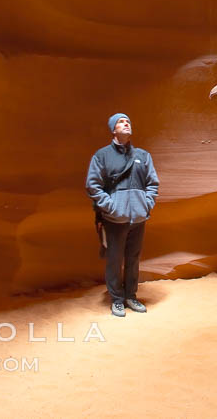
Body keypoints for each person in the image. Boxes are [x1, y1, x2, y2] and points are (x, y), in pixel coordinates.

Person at [85, 113, 160, 317]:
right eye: (121, 122)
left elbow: (152, 183)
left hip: (138, 218)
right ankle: (117, 299)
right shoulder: (102, 155)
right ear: (113, 129)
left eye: (128, 121)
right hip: (115, 220)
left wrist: (146, 204)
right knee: (114, 260)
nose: (126, 123)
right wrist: (111, 207)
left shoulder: (143, 156)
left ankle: (131, 296)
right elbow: (93, 185)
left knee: (133, 259)